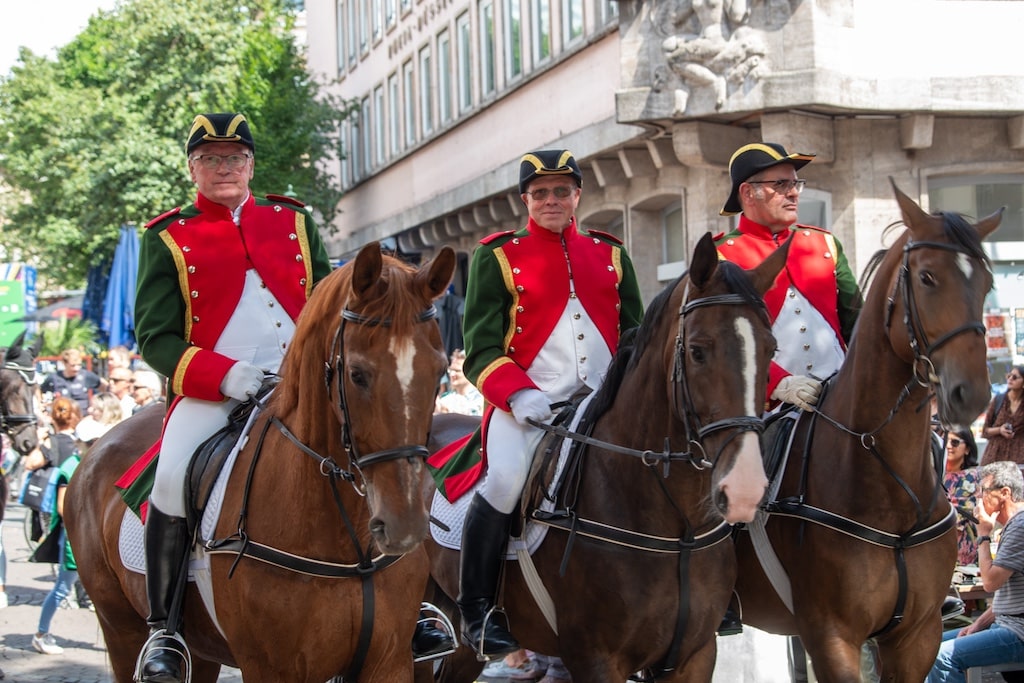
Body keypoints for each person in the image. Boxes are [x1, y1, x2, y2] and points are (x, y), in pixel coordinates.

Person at [132, 112, 333, 682]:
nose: (224, 168)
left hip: (305, 385)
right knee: (170, 478)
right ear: (192, 168)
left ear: (251, 164)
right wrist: (225, 377)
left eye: (234, 158)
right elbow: (157, 338)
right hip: (216, 390)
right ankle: (165, 631)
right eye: (211, 159)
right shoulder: (167, 236)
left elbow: (326, 304)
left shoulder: (292, 220)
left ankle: (408, 600)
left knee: (379, 452)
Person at [454, 148, 644, 656]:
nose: (552, 200)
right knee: (504, 481)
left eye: (562, 191)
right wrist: (518, 394)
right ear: (525, 200)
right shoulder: (496, 256)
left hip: (606, 407)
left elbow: (637, 335)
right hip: (529, 408)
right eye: (541, 193)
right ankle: (476, 609)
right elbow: (481, 349)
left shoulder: (610, 254)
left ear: (578, 195)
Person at [714, 142, 863, 412]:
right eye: (781, 184)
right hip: (767, 410)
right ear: (748, 193)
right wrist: (776, 383)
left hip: (843, 399)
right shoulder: (721, 255)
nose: (794, 193)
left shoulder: (825, 243)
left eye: (796, 184)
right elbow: (721, 340)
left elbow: (857, 322)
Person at [928, 460, 1024, 681]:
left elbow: (990, 583)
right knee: (929, 646)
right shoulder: (1014, 525)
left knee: (942, 657)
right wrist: (979, 624)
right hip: (1007, 624)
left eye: (983, 491)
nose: (978, 497)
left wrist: (983, 534)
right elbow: (1010, 599)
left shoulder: (1019, 526)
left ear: (1004, 493)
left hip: (1018, 633)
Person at [30, 412, 84, 656]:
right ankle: (41, 633)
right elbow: (63, 507)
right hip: (75, 539)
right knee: (62, 587)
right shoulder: (70, 466)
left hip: (85, 538)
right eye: (90, 442)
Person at [39, 348, 106, 414]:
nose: (77, 368)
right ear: (65, 363)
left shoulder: (86, 376)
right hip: (62, 418)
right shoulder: (54, 378)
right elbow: (39, 390)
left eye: (79, 365)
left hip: (82, 417)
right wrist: (43, 404)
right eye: (73, 365)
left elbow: (104, 385)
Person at [981, 366, 1024, 466]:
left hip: (1019, 459)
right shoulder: (999, 400)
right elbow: (985, 430)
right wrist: (1000, 430)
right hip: (996, 457)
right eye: (1009, 376)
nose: (1010, 379)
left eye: (1015, 377)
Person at [435, 349, 484, 415]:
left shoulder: (481, 399)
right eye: (450, 370)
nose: (452, 374)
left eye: (457, 371)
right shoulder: (445, 399)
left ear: (469, 373)